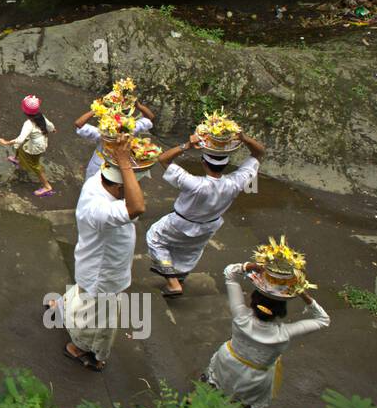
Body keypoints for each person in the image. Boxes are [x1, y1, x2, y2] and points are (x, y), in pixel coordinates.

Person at [52, 138, 145, 371]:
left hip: (92, 262)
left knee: (82, 295)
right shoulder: (101, 210)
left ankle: (62, 308)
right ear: (118, 187)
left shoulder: (96, 182)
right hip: (104, 273)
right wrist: (124, 162)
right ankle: (82, 347)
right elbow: (137, 207)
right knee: (99, 317)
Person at [146, 131, 265, 297]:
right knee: (190, 252)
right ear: (226, 164)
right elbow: (259, 153)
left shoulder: (194, 183)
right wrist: (244, 138)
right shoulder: (236, 182)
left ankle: (173, 283)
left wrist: (186, 145)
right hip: (208, 226)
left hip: (179, 224)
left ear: (203, 162)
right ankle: (179, 278)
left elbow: (163, 159)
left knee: (155, 239)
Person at [203, 259, 329, 408]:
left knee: (214, 384)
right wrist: (303, 293)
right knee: (242, 406)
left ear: (254, 300)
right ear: (281, 310)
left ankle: (197, 403)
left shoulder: (241, 316)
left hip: (227, 360)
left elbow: (229, 272)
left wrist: (253, 266)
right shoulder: (284, 333)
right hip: (255, 377)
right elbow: (323, 320)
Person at [74, 97, 156, 181]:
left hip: (104, 165)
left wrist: (97, 109)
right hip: (118, 166)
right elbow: (150, 118)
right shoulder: (132, 129)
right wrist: (139, 106)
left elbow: (79, 124)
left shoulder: (102, 134)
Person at [0, 93, 56, 196]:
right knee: (22, 147)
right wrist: (53, 130)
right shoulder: (41, 116)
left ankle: (47, 187)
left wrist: (6, 142)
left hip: (35, 147)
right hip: (40, 142)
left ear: (25, 111)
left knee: (35, 166)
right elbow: (50, 126)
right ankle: (17, 158)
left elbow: (20, 140)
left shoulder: (28, 124)